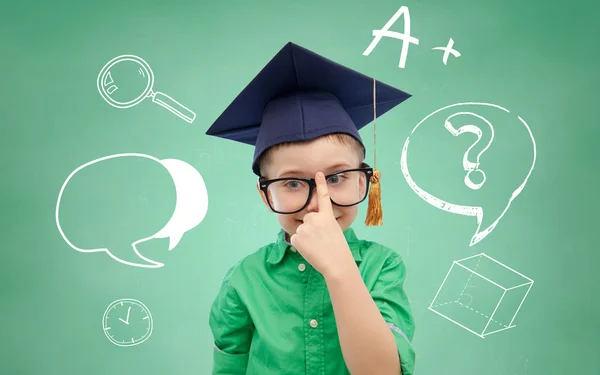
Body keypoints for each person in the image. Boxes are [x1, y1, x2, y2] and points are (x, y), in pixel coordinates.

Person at [206, 42, 416, 375]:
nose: (320, 202)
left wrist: (339, 269)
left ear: (364, 182)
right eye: (292, 183)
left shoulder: (383, 267)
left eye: (336, 178)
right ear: (266, 196)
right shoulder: (244, 279)